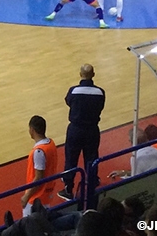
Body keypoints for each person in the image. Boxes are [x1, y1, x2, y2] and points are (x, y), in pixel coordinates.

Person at [58, 64, 105, 201]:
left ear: (80, 74)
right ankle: (92, 185)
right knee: (91, 158)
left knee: (71, 158)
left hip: (75, 130)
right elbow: (100, 106)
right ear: (93, 74)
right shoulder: (100, 92)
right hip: (92, 130)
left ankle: (68, 189)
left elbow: (68, 102)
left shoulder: (73, 91)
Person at [21, 116, 58, 217]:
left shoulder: (39, 151)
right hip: (46, 194)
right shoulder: (50, 143)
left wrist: (27, 196)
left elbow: (39, 177)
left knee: (30, 226)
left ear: (32, 130)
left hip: (36, 198)